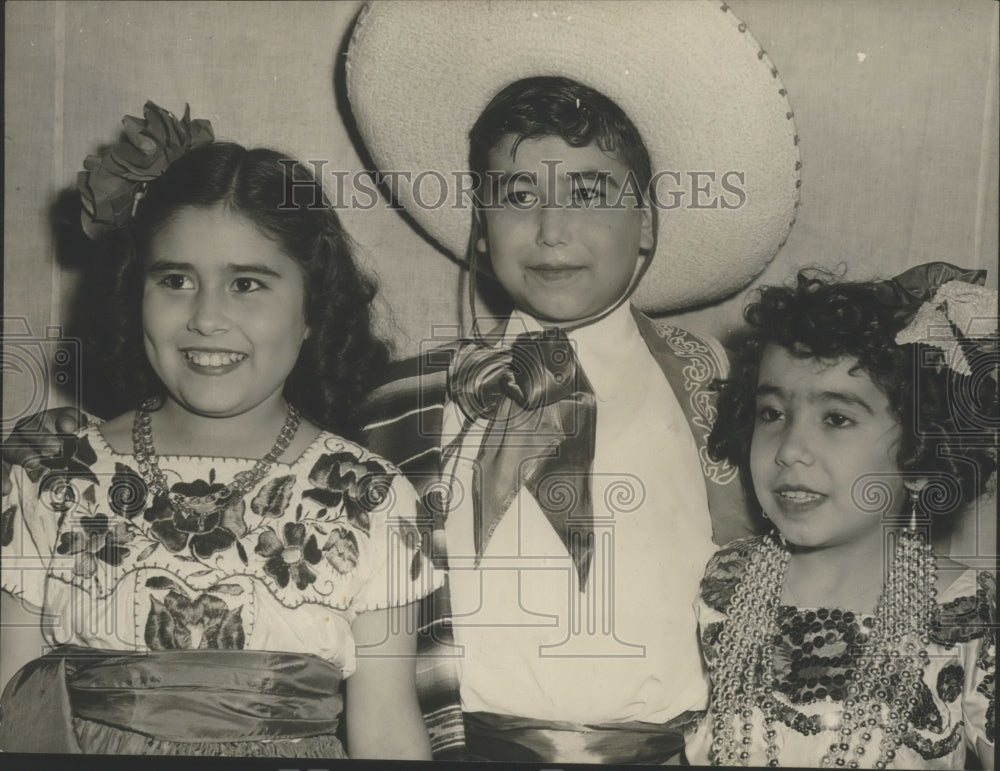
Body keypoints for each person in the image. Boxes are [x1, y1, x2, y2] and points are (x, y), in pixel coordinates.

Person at [344, 1, 802, 762]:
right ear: (482, 228)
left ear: (648, 223)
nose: (552, 230)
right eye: (519, 196)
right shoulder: (401, 406)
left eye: (589, 193)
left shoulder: (716, 392)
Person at [0, 101, 439, 758]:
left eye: (247, 285)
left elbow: (386, 731)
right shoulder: (53, 474)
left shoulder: (371, 496)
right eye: (175, 279)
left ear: (314, 307)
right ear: (134, 292)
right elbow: (13, 705)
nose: (206, 317)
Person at [685, 264, 997, 768]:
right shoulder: (718, 584)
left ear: (921, 456)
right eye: (772, 413)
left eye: (836, 418)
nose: (790, 449)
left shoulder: (971, 618)